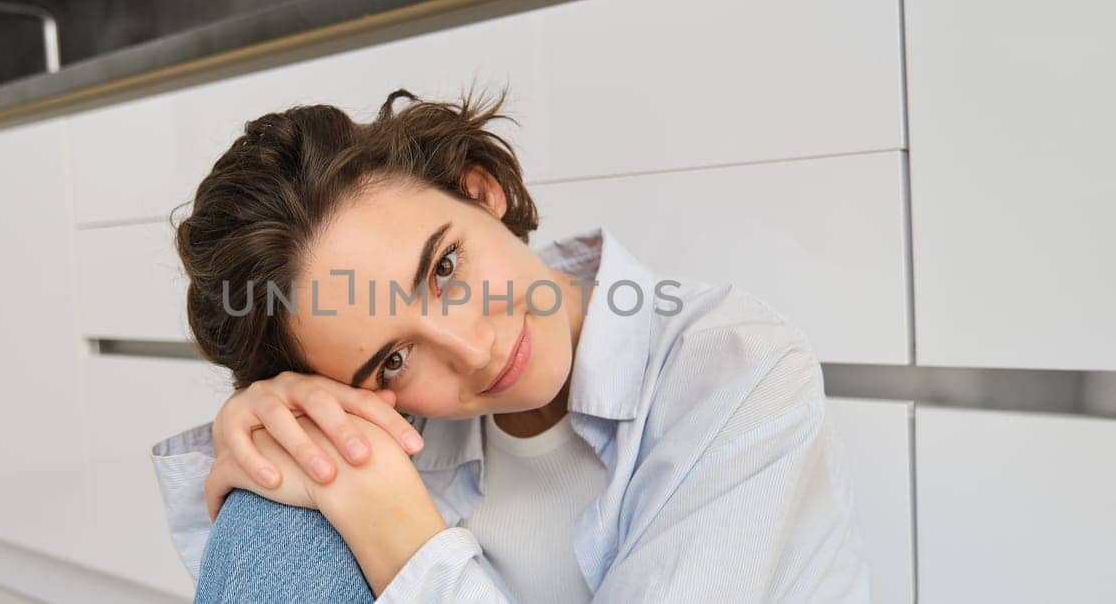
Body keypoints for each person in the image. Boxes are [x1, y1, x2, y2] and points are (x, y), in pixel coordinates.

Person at [151, 90, 872, 602]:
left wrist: (400, 533)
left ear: (481, 190)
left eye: (444, 267)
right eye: (392, 358)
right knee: (276, 508)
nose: (471, 348)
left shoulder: (738, 370)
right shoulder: (399, 421)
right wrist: (274, 420)